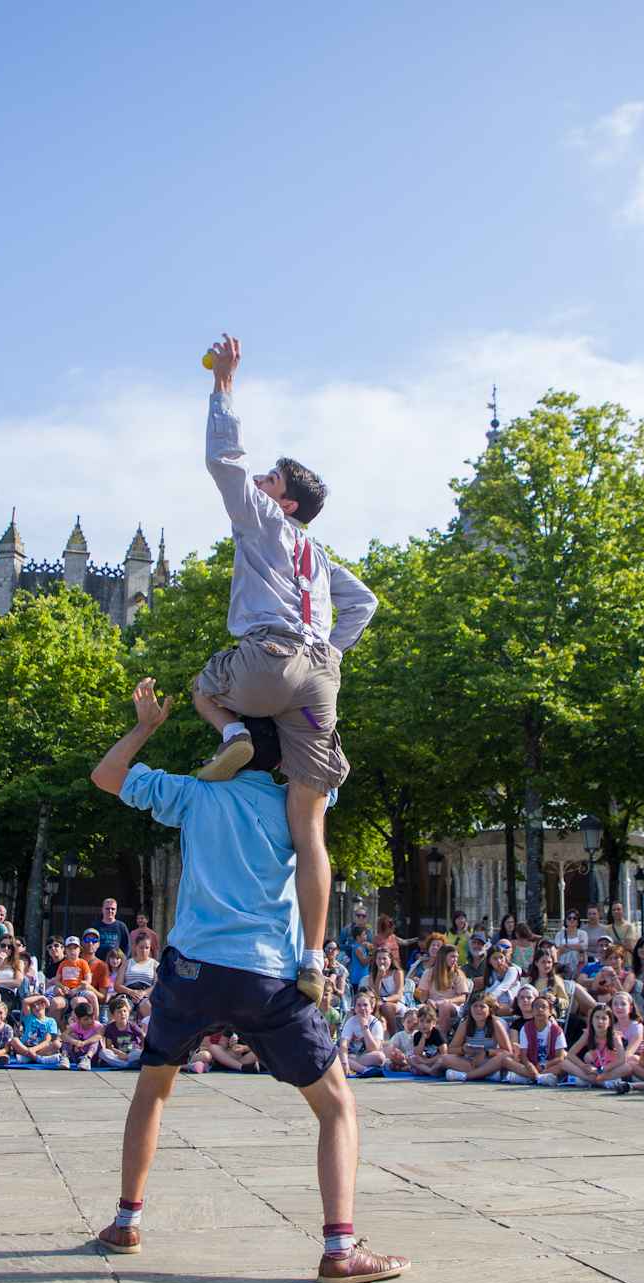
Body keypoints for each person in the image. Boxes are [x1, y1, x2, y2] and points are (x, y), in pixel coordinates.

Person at [88, 676, 404, 1283]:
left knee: (153, 1090)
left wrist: (147, 726)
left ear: (230, 748)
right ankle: (339, 1250)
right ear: (279, 755)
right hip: (266, 973)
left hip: (191, 969)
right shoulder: (296, 803)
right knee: (337, 1106)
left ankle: (126, 1221)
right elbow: (328, 765)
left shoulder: (194, 796)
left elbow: (106, 776)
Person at [187, 336, 379, 1009]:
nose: (262, 482)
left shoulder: (266, 518)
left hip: (266, 659)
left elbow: (222, 458)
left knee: (202, 687)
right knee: (310, 829)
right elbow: (366, 603)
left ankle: (232, 731)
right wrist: (329, 650)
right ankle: (313, 957)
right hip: (320, 680)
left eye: (272, 479)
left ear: (286, 501)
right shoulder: (320, 557)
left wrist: (225, 383)